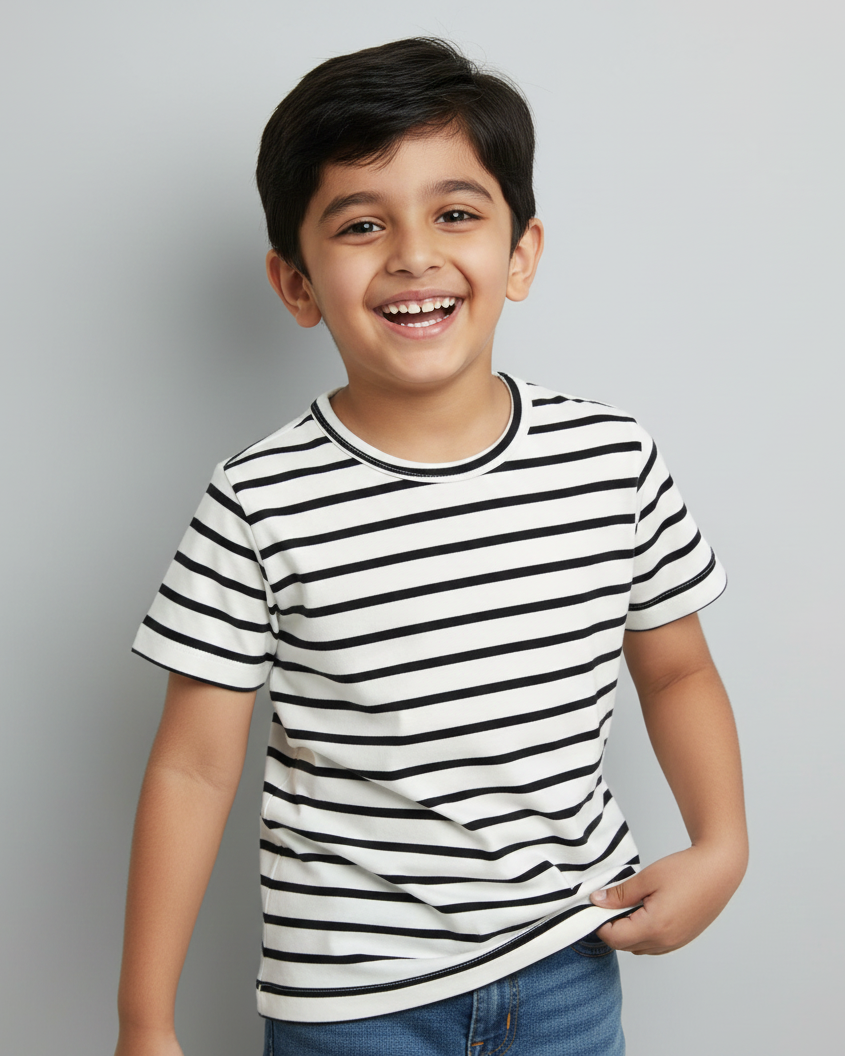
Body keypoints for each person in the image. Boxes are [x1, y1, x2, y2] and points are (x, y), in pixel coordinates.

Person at [115, 37, 748, 1056]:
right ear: (295, 283)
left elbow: (675, 671)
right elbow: (192, 768)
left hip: (568, 968)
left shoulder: (613, 458)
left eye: (454, 213)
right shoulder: (256, 501)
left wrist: (721, 847)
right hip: (350, 1006)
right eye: (361, 224)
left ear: (520, 253)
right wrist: (144, 1023)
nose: (412, 254)